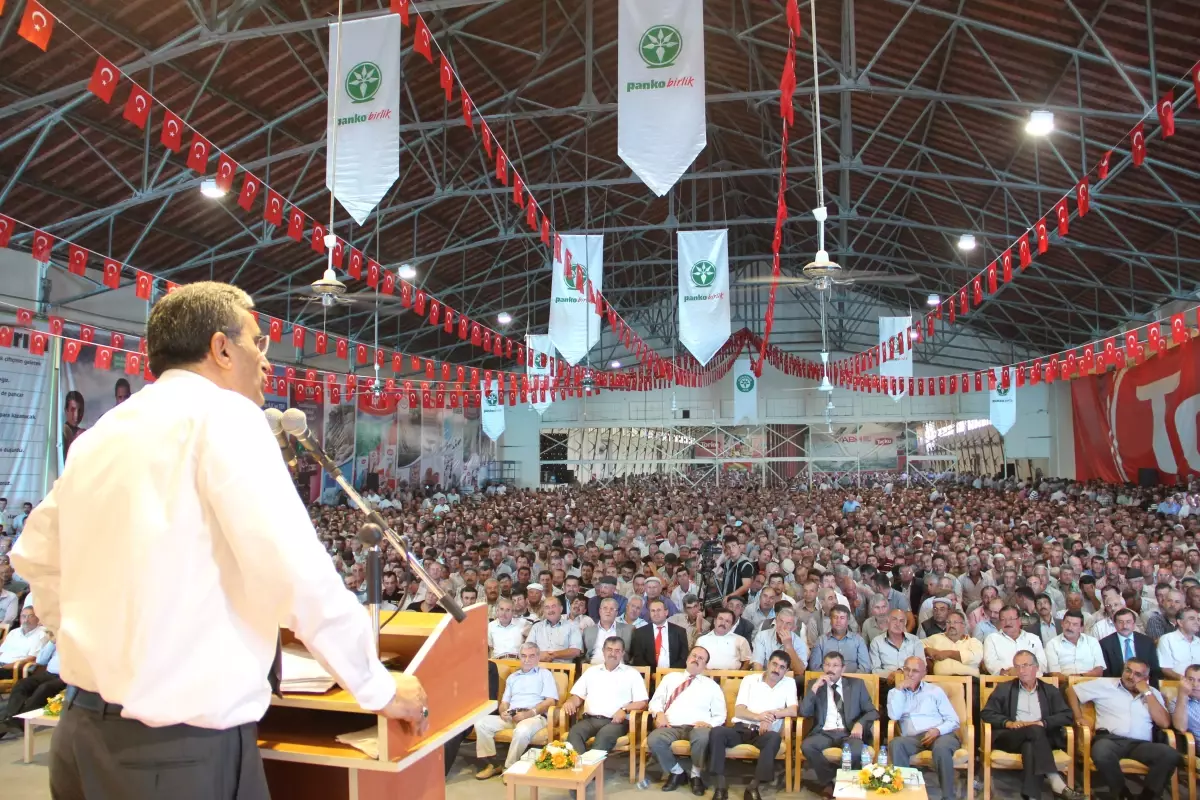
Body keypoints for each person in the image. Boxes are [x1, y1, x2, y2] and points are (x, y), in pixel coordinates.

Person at [12, 283, 427, 800]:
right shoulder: (226, 418)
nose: (267, 362)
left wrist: (98, 649)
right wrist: (379, 686)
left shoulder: (102, 433)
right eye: (258, 342)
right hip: (176, 755)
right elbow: (294, 572)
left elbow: (35, 557)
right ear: (221, 349)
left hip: (81, 735)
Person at [1066, 658, 1181, 800]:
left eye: (1137, 674)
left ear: (1146, 678)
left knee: (1170, 754)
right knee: (1101, 751)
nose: (1130, 676)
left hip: (1141, 744)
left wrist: (1147, 693)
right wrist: (1078, 717)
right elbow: (1071, 690)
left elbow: (1164, 723)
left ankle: (1148, 797)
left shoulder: (1153, 693)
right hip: (1110, 740)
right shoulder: (1105, 685)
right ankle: (1122, 794)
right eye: (1128, 670)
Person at [979, 650, 1083, 800]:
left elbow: (1066, 715)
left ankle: (1031, 796)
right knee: (1034, 731)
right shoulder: (1004, 688)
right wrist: (1007, 723)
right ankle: (1055, 779)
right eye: (1017, 666)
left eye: (1026, 665)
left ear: (1036, 667)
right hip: (1012, 736)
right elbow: (987, 713)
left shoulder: (1049, 690)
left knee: (1030, 745)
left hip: (1042, 738)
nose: (1021, 671)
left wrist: (1043, 723)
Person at [708, 650, 798, 800]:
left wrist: (771, 716)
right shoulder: (750, 680)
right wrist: (758, 717)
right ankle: (720, 785)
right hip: (741, 729)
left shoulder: (789, 683)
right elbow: (739, 710)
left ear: (786, 670)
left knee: (774, 739)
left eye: (782, 667)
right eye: (774, 664)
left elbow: (793, 710)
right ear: (768, 664)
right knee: (717, 732)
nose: (777, 669)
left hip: (763, 733)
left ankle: (753, 787)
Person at [644, 646, 727, 793]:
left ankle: (696, 775)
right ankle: (676, 772)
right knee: (654, 740)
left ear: (705, 665)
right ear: (688, 658)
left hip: (697, 727)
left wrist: (709, 724)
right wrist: (659, 714)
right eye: (694, 655)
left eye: (701, 658)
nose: (696, 659)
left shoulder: (711, 686)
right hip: (671, 726)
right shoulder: (670, 678)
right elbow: (656, 701)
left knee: (702, 738)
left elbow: (721, 714)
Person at [473, 643, 558, 779]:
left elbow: (550, 701)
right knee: (481, 723)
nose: (527, 659)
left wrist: (529, 713)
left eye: (531, 656)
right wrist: (503, 712)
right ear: (519, 657)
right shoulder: (513, 677)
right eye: (523, 656)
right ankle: (492, 764)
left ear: (537, 658)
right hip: (512, 715)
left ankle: (510, 767)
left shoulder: (545, 675)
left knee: (522, 731)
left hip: (533, 716)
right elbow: (505, 702)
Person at [799, 651, 880, 795]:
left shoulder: (857, 685)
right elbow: (804, 712)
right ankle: (829, 780)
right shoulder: (815, 685)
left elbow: (872, 712)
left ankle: (846, 786)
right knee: (807, 746)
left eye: (835, 665)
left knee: (856, 749)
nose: (831, 669)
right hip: (824, 733)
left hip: (849, 732)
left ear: (843, 668)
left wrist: (860, 724)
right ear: (823, 667)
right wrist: (815, 688)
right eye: (827, 665)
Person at [888, 656, 962, 800]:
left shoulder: (935, 691)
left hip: (940, 734)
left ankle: (948, 797)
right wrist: (898, 691)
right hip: (914, 738)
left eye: (915, 671)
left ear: (924, 674)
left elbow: (954, 720)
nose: (910, 674)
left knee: (941, 748)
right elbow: (894, 716)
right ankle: (905, 795)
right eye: (907, 669)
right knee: (896, 744)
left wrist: (937, 730)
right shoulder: (895, 693)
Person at [562, 636, 648, 754]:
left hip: (615, 722)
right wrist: (570, 701)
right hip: (590, 720)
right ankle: (581, 767)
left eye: (617, 651)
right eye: (609, 649)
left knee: (604, 736)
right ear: (603, 651)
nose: (613, 654)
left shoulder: (632, 674)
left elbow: (642, 702)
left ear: (622, 653)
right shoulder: (591, 671)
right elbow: (578, 696)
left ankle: (589, 768)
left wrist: (624, 709)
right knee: (574, 733)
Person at [1, 636, 65, 738]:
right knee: (22, 684)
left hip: (67, 677)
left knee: (44, 688)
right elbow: (41, 661)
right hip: (49, 673)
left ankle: (19, 721)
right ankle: (11, 718)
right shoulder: (58, 639)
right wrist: (52, 643)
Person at [1099, 608, 1161, 683]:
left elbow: (1155, 670)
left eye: (1128, 622)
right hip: (1116, 686)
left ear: (1134, 624)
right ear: (1114, 624)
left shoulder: (1147, 642)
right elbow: (1106, 673)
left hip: (1143, 684)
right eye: (1120, 622)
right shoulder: (1105, 644)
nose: (1124, 626)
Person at [983, 605, 1048, 675]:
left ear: (1019, 621)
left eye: (1011, 619)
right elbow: (991, 664)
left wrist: (1023, 671)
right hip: (1005, 681)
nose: (1007, 623)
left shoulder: (1034, 639)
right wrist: (1009, 672)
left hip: (1033, 681)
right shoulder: (992, 639)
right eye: (1003, 619)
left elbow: (1042, 665)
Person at [809, 604, 870, 673]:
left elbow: (865, 668)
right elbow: (815, 668)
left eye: (842, 618)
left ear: (848, 621)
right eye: (835, 617)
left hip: (853, 681)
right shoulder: (821, 641)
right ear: (830, 620)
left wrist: (852, 680)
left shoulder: (858, 640)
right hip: (827, 681)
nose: (838, 621)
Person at [630, 597, 688, 669]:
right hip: (649, 677)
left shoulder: (680, 632)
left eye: (659, 610)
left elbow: (683, 657)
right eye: (653, 611)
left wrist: (670, 674)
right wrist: (652, 675)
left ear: (666, 612)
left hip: (673, 676)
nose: (655, 613)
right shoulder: (639, 633)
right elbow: (638, 658)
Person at [1045, 610, 1105, 678]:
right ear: (1062, 623)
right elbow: (1054, 674)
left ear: (1081, 628)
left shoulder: (1092, 642)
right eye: (1067, 623)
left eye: (1075, 624)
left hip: (1090, 683)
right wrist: (1071, 680)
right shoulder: (1052, 644)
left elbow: (1099, 671)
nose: (1070, 627)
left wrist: (1080, 677)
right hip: (1065, 684)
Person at [870, 608, 925, 680]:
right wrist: (892, 675)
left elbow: (921, 666)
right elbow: (875, 670)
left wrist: (902, 672)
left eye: (901, 621)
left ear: (905, 624)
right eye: (894, 619)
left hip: (911, 682)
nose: (898, 624)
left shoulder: (915, 641)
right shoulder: (876, 642)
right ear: (887, 622)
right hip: (886, 684)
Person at [923, 610, 984, 676]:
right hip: (940, 683)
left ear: (963, 625)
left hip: (969, 683)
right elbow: (916, 645)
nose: (951, 625)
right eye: (948, 622)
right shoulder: (936, 638)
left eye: (955, 622)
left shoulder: (973, 641)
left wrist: (948, 654)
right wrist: (926, 650)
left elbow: (976, 658)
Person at [524, 595, 582, 663]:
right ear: (544, 611)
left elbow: (576, 651)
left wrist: (553, 655)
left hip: (561, 669)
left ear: (561, 609)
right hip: (537, 668)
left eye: (553, 606)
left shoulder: (572, 626)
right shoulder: (536, 627)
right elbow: (526, 649)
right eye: (547, 607)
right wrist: (540, 656)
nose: (550, 610)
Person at [750, 606, 807, 671]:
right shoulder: (762, 636)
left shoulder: (799, 643)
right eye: (781, 621)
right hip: (765, 677)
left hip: (787, 679)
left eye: (788, 624)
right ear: (776, 621)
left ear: (794, 628)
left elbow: (800, 671)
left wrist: (789, 646)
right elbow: (757, 665)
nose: (783, 627)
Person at [583, 597, 634, 663]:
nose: (608, 611)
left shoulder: (629, 630)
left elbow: (634, 655)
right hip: (594, 667)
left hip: (620, 669)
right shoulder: (588, 631)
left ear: (616, 613)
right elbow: (583, 655)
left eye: (612, 609)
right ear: (600, 611)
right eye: (605, 608)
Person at [1155, 607, 1200, 681]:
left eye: (1198, 619)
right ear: (1180, 622)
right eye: (1192, 619)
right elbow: (1165, 669)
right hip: (1177, 684)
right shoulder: (1167, 639)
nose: (1197, 622)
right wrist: (1186, 680)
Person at [1169, 663, 1200, 738]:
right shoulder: (1177, 702)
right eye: (1190, 679)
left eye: (1199, 680)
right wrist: (1182, 695)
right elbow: (1180, 728)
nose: (1195, 684)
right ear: (1184, 680)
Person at [61, 390, 86, 459]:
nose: (76, 415)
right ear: (66, 410)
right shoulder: (59, 435)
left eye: (79, 410)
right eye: (73, 409)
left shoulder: (84, 434)